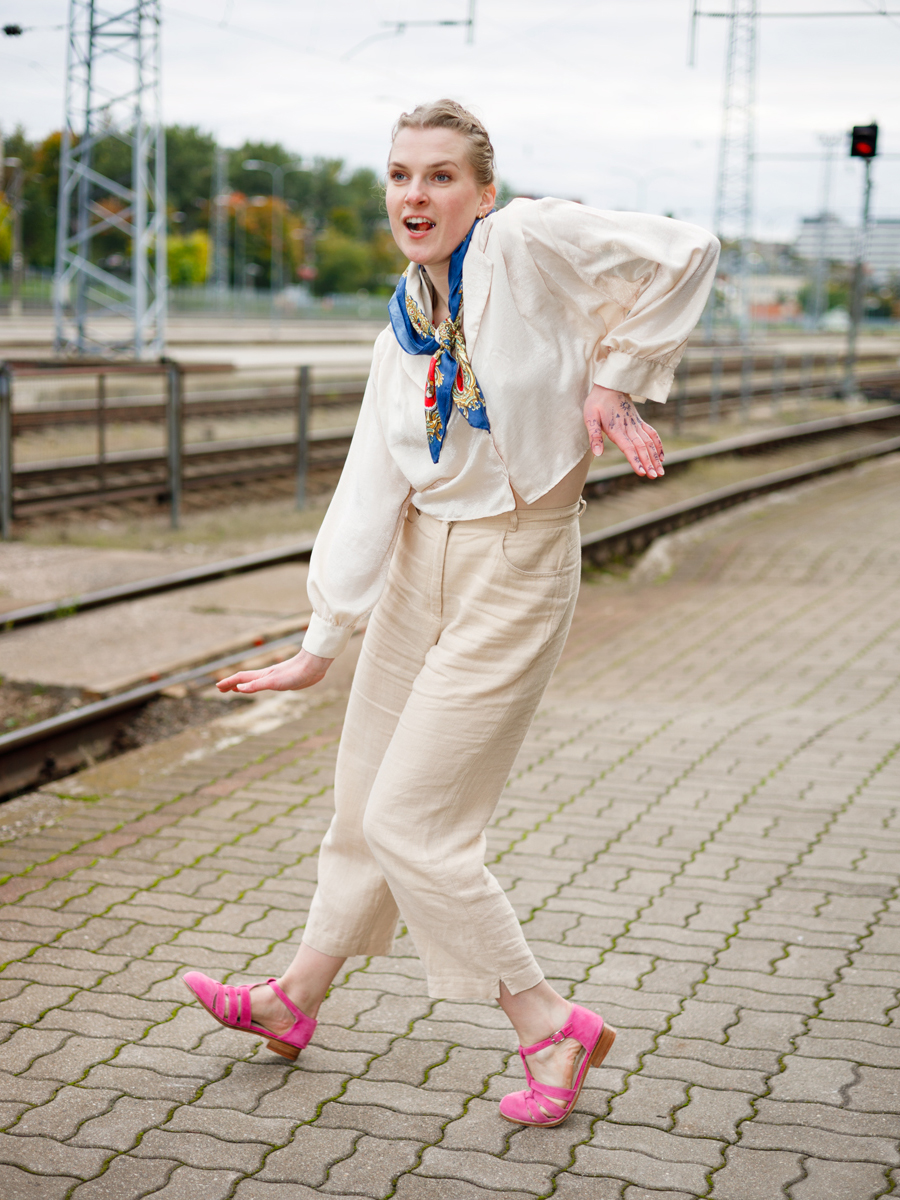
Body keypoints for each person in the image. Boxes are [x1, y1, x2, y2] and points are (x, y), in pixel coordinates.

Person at [183, 99, 718, 1128]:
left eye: (437, 176)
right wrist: (319, 640)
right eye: (399, 176)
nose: (414, 196)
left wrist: (614, 379)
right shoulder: (408, 319)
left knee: (413, 824)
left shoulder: (524, 243)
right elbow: (372, 478)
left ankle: (547, 1021)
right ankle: (295, 997)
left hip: (514, 566)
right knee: (361, 799)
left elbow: (688, 249)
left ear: (479, 189)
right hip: (418, 564)